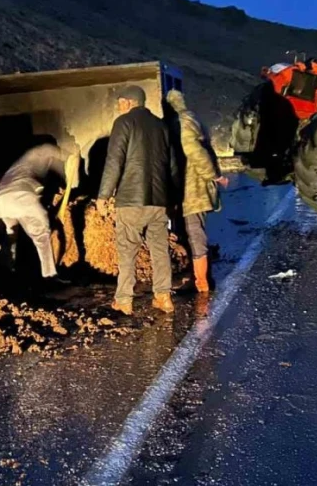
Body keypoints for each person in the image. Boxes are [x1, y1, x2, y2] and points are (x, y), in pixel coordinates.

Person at [97, 85, 180, 315]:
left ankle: (124, 301)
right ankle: (163, 297)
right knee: (159, 249)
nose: (119, 106)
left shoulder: (123, 123)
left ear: (129, 102)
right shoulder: (161, 126)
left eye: (121, 102)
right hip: (159, 201)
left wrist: (103, 195)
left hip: (131, 201)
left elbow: (114, 162)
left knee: (127, 250)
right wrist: (173, 199)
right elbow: (172, 166)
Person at [165, 89, 229, 293]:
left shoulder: (183, 122)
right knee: (192, 231)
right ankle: (199, 277)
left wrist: (214, 175)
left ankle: (202, 283)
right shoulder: (188, 119)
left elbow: (194, 151)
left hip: (193, 187)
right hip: (189, 186)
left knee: (194, 232)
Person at [0, 141, 79, 283]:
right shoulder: (46, 150)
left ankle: (6, 276)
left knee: (10, 237)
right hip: (21, 196)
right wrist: (72, 160)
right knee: (42, 236)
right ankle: (49, 275)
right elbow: (65, 167)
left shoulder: (22, 162)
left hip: (0, 198)